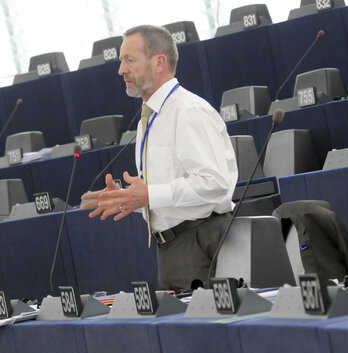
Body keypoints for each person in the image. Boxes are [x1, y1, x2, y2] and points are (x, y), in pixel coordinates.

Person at [81, 24, 238, 291]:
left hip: (203, 245)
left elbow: (215, 183)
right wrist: (130, 198)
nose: (121, 70)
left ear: (159, 62)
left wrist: (151, 195)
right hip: (169, 249)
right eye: (121, 61)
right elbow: (165, 186)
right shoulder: (149, 117)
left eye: (130, 60)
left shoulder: (188, 111)